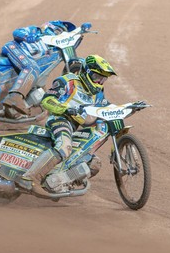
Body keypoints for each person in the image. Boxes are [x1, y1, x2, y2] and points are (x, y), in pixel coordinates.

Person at [15, 54, 117, 193]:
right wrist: (66, 109)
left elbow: (104, 107)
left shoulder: (98, 93)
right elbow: (47, 100)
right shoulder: (68, 81)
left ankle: (60, 182)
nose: (99, 82)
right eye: (96, 77)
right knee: (64, 146)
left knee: (93, 163)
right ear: (86, 71)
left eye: (103, 79)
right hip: (59, 120)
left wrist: (127, 108)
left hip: (75, 127)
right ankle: (29, 178)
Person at [0, 20, 76, 118]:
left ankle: (11, 111)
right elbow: (16, 32)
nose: (59, 35)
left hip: (23, 63)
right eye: (58, 31)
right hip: (15, 47)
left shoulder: (50, 49)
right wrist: (27, 37)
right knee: (32, 67)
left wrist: (81, 32)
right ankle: (15, 97)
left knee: (41, 91)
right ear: (49, 26)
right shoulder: (35, 31)